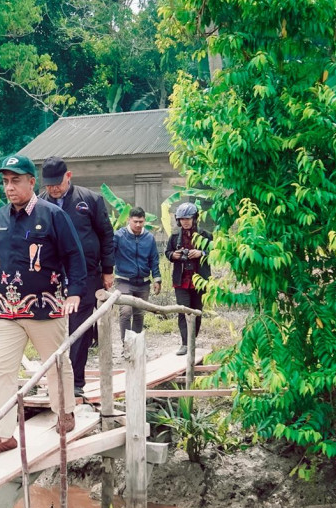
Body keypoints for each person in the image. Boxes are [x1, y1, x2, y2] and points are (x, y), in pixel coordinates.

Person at [0, 154, 87, 455]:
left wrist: (75, 291)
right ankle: (3, 433)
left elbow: (74, 256)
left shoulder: (52, 215)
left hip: (45, 308)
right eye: (5, 182)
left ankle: (64, 411)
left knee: (55, 363)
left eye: (16, 181)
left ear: (31, 182)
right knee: (1, 370)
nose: (9, 188)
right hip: (4, 309)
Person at [40, 156, 115, 397]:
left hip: (86, 275)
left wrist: (108, 270)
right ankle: (55, 380)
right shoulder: (40, 204)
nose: (53, 189)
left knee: (79, 328)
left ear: (68, 176)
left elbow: (106, 235)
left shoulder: (90, 200)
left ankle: (76, 383)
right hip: (52, 278)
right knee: (52, 328)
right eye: (48, 184)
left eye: (58, 183)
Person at [165, 202, 212, 355]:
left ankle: (192, 340)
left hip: (200, 279)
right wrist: (174, 255)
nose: (185, 222)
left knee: (197, 311)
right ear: (178, 221)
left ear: (194, 218)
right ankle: (185, 343)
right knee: (183, 311)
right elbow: (167, 253)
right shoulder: (174, 237)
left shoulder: (206, 235)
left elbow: (214, 252)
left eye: (188, 218)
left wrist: (201, 253)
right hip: (181, 280)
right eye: (182, 219)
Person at [113, 207, 161, 341]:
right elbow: (108, 255)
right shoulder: (118, 236)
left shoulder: (149, 238)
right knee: (126, 312)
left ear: (145, 220)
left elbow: (154, 259)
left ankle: (135, 345)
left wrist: (157, 279)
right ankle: (126, 345)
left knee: (139, 314)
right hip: (124, 281)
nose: (138, 224)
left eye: (141, 221)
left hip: (143, 282)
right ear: (129, 220)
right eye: (135, 221)